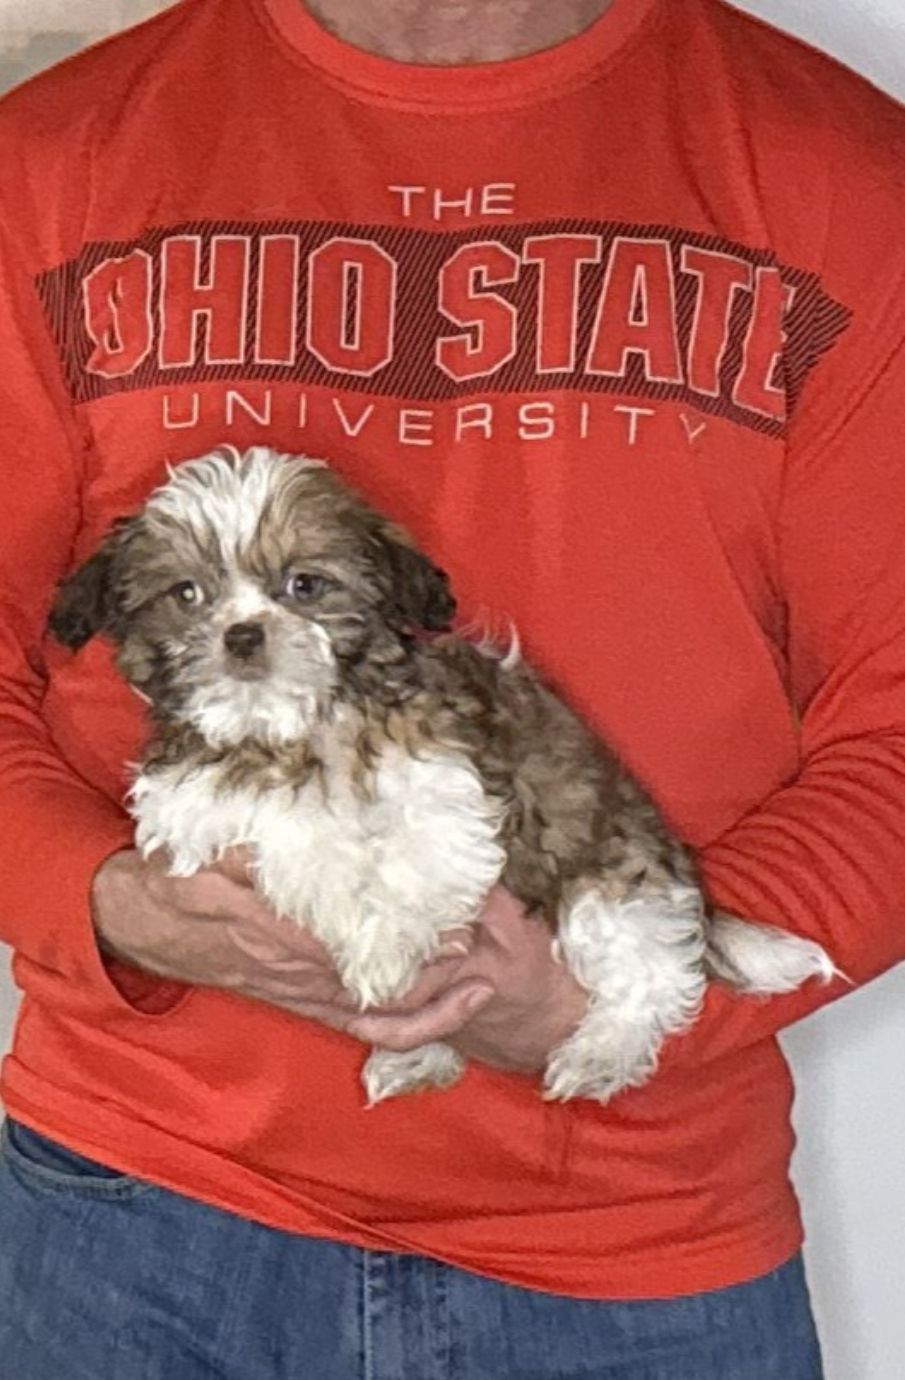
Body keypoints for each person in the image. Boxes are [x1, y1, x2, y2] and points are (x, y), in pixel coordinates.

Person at [1, 0, 904, 1374]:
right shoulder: (51, 161)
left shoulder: (844, 178)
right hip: (138, 1206)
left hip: (635, 1242)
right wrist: (111, 903)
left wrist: (631, 996)